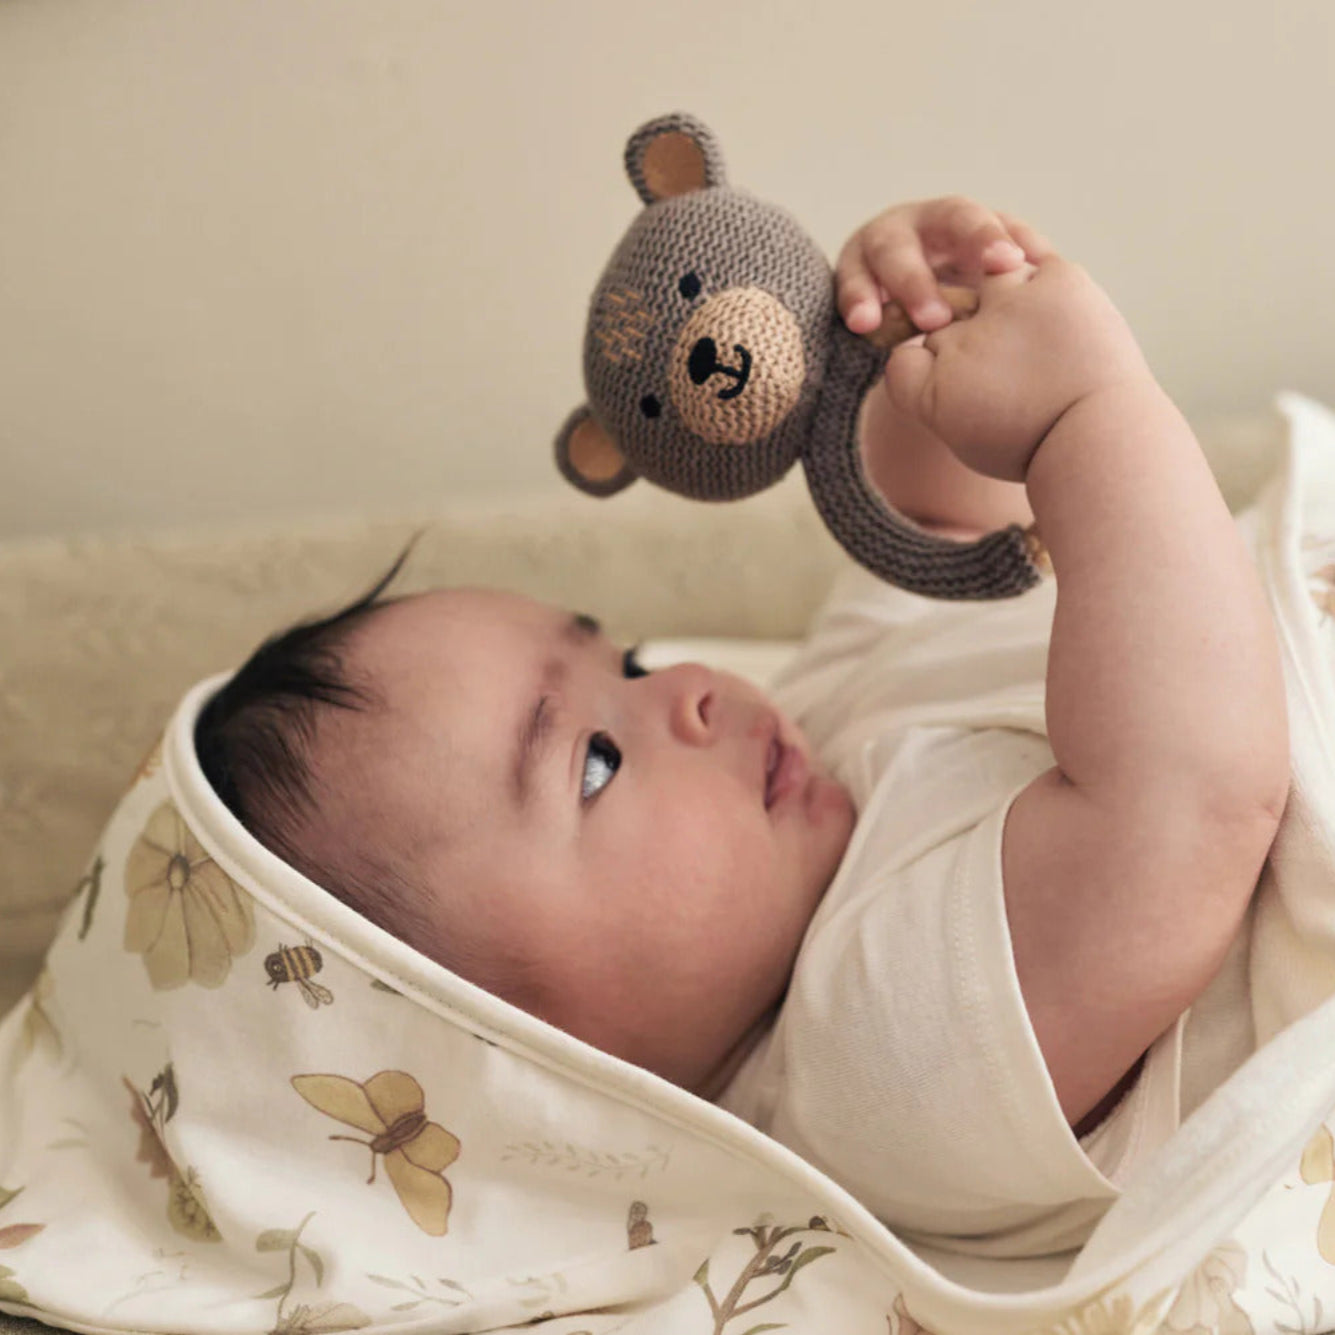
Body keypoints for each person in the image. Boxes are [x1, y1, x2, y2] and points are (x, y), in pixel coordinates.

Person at [193, 197, 1290, 1256]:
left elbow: (945, 516)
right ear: (527, 1060)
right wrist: (1087, 416)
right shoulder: (876, 1059)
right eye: (595, 765)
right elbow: (1190, 802)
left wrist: (913, 343)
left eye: (624, 661)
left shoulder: (818, 724)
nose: (692, 689)